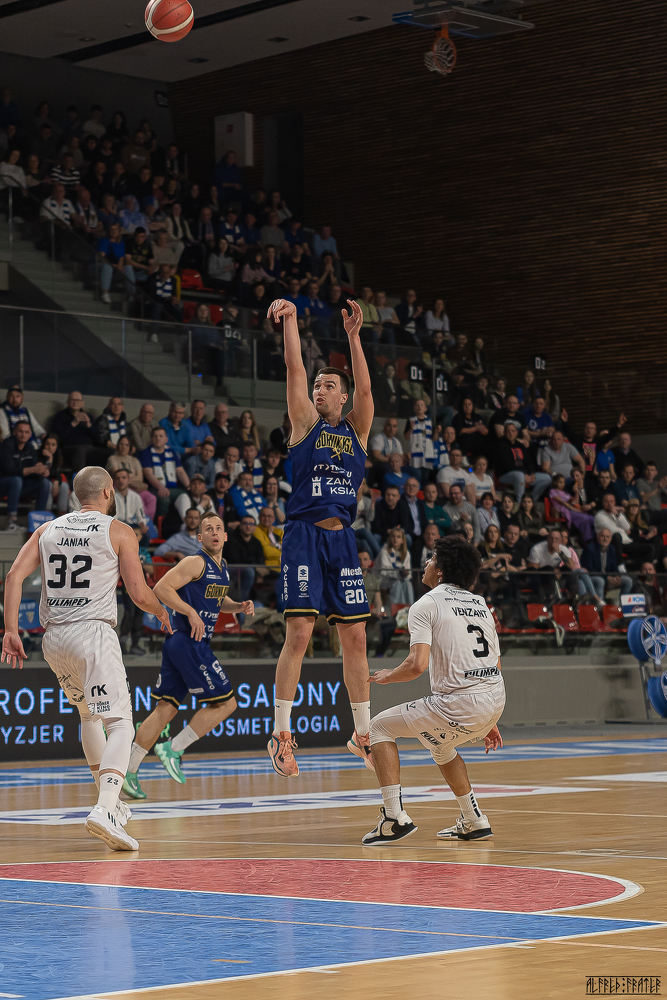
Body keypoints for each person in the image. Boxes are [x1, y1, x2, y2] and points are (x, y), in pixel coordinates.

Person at [1, 466, 171, 851]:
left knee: (89, 716)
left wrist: (11, 630)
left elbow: (12, 577)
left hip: (54, 639)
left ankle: (109, 802)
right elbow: (138, 592)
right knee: (121, 723)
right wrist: (160, 611)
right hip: (92, 634)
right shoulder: (118, 530)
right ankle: (106, 807)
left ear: (78, 495)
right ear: (109, 492)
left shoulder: (48, 529)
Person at [266, 296, 374, 777]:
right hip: (304, 536)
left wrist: (354, 338)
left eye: (329, 385)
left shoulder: (357, 432)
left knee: (356, 638)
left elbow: (366, 389)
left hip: (342, 540)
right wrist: (290, 320)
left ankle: (363, 733)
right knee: (300, 634)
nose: (319, 390)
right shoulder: (305, 424)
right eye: (317, 385)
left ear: (342, 397)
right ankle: (281, 734)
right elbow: (294, 368)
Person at [362, 535, 504, 845]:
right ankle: (473, 819)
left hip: (461, 702)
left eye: (431, 559)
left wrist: (388, 676)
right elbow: (495, 661)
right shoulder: (480, 603)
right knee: (441, 747)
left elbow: (417, 665)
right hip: (494, 697)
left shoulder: (426, 604)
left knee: (379, 728)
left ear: (440, 570)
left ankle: (393, 818)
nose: (426, 563)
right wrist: (490, 719)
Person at [123, 511, 254, 799]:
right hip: (190, 642)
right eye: (209, 529)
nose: (215, 533)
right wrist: (190, 612)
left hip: (179, 644)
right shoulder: (196, 561)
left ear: (226, 535)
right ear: (200, 536)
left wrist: (238, 606)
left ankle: (128, 771)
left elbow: (217, 599)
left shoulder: (223, 567)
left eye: (218, 528)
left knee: (165, 709)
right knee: (227, 704)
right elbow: (161, 588)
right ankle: (173, 748)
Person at [0, 420, 51, 528]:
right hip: (4, 484)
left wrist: (41, 471)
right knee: (16, 480)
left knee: (45, 483)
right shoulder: (6, 446)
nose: (23, 435)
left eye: (26, 432)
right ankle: (12, 521)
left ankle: (39, 521)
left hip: (19, 486)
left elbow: (34, 468)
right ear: (14, 432)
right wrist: (32, 469)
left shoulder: (29, 447)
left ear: (30, 434)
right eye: (20, 431)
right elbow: (8, 472)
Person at [494, 423, 552, 503]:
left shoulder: (520, 445)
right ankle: (520, 502)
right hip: (505, 475)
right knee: (519, 475)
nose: (511, 433)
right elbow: (507, 464)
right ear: (504, 433)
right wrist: (524, 474)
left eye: (513, 431)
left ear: (516, 433)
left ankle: (530, 501)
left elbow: (528, 461)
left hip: (523, 474)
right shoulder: (501, 445)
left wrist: (531, 473)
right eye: (508, 431)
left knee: (547, 478)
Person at [140, 426, 189, 517]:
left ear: (166, 439)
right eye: (155, 436)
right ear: (151, 439)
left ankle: (186, 521)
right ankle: (160, 524)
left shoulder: (171, 452)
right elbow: (148, 473)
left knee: (184, 495)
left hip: (172, 488)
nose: (158, 438)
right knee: (164, 498)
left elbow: (180, 471)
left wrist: (188, 486)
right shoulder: (146, 453)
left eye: (161, 436)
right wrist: (160, 487)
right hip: (155, 488)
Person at [581, 527, 633, 603]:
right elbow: (590, 570)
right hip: (593, 578)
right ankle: (600, 605)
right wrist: (607, 578)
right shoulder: (589, 549)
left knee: (628, 580)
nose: (605, 539)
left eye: (607, 537)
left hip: (607, 578)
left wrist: (616, 577)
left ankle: (624, 605)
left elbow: (614, 566)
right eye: (602, 536)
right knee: (600, 581)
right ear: (598, 537)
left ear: (610, 539)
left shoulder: (612, 549)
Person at [376, 526, 414, 605]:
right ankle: (398, 609)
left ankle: (410, 607)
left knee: (408, 584)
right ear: (390, 538)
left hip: (399, 580)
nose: (395, 539)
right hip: (384, 581)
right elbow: (384, 571)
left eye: (398, 537)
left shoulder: (406, 553)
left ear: (402, 540)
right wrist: (399, 573)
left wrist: (405, 574)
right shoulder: (384, 551)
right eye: (393, 536)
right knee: (397, 584)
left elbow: (409, 574)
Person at [254, 505, 284, 570]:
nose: (266, 519)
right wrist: (281, 550)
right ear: (259, 517)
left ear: (274, 519)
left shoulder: (279, 532)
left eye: (269, 516)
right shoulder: (256, 531)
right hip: (270, 568)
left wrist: (274, 547)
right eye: (263, 516)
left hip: (284, 567)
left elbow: (290, 550)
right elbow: (267, 552)